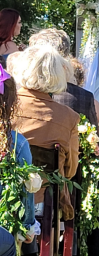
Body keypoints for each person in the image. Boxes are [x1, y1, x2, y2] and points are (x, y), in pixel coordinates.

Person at [28, 28, 99, 256]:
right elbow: (89, 150)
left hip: (22, 185)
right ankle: (89, 243)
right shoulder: (80, 98)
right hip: (64, 186)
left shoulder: (17, 99)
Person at [13, 45, 80, 222]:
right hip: (44, 201)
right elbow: (70, 169)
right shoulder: (68, 117)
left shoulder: (6, 107)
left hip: (5, 194)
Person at [0, 66, 38, 255]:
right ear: (11, 103)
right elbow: (25, 196)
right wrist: (28, 226)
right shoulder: (16, 144)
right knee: (10, 244)